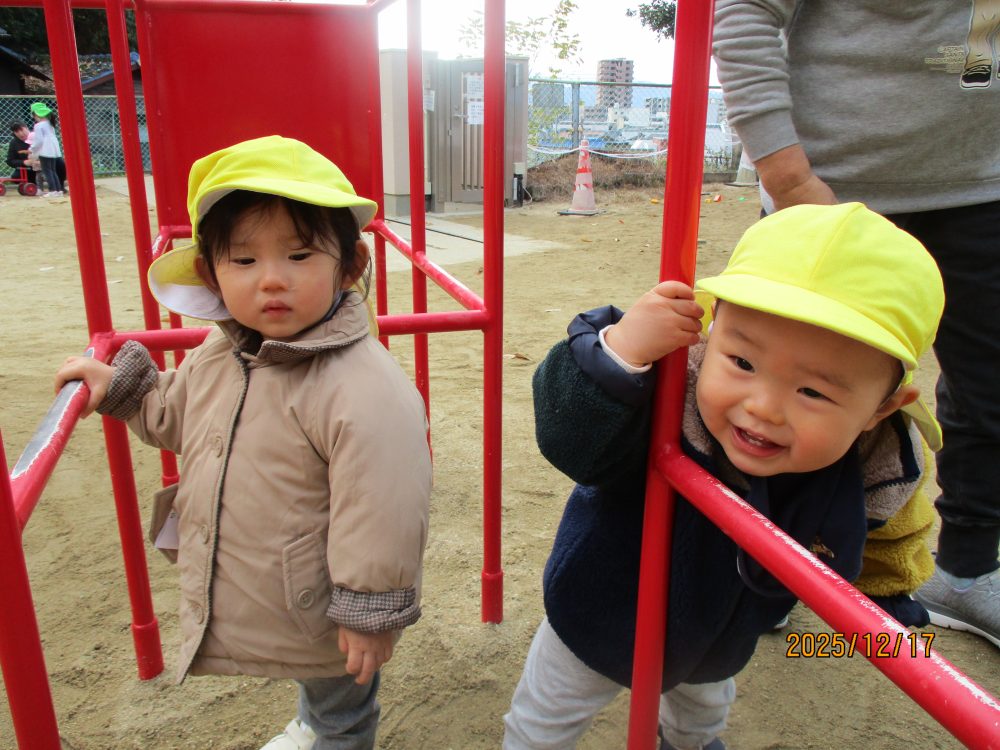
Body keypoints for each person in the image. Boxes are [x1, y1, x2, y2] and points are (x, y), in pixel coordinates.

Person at [502, 203, 944, 750]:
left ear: (882, 408)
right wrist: (617, 356)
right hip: (596, 611)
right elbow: (568, 440)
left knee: (703, 712)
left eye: (812, 391)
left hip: (722, 635)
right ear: (710, 338)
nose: (762, 407)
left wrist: (889, 601)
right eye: (742, 363)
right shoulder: (664, 397)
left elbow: (896, 532)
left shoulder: (880, 461)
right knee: (545, 718)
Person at [54, 135, 433, 750]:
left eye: (300, 255)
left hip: (325, 598)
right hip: (280, 587)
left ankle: (328, 735)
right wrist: (124, 389)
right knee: (320, 689)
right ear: (212, 273)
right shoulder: (223, 350)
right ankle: (313, 728)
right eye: (245, 260)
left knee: (341, 704)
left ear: (349, 266)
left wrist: (370, 609)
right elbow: (177, 415)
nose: (272, 280)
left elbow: (385, 507)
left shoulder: (362, 385)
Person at [713, 0, 1000, 649]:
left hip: (981, 187)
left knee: (987, 387)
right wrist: (789, 179)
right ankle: (765, 565)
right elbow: (744, 10)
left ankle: (964, 566)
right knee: (783, 392)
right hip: (830, 193)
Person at [28, 102, 64, 196]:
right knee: (52, 170)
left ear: (36, 114)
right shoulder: (50, 124)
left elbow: (39, 141)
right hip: (53, 150)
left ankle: (52, 190)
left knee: (47, 171)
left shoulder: (38, 125)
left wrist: (32, 149)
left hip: (44, 151)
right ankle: (58, 190)